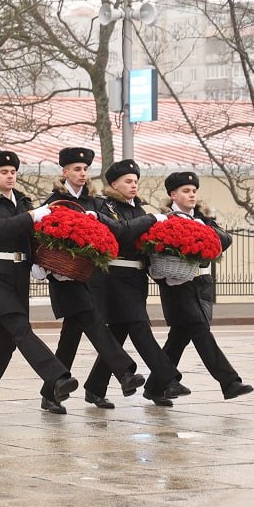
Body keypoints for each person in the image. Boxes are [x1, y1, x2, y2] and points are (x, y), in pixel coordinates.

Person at [0, 150, 78, 419]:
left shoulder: (22, 202)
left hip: (17, 275)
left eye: (13, 172)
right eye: (4, 172)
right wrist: (32, 216)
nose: (10, 176)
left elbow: (34, 235)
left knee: (5, 342)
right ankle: (58, 376)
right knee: (20, 328)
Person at [34, 147, 145, 415]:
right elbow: (40, 235)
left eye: (84, 170)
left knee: (71, 336)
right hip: (63, 276)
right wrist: (41, 266)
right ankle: (125, 372)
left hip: (87, 276)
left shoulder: (95, 202)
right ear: (65, 172)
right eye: (76, 169)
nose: (82, 174)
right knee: (94, 324)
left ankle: (52, 392)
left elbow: (106, 230)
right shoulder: (55, 201)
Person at [85, 159, 191, 407]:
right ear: (114, 184)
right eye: (128, 182)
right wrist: (153, 220)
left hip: (135, 279)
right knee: (140, 327)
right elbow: (120, 231)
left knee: (120, 332)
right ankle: (168, 379)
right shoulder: (106, 205)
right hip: (114, 279)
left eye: (135, 182)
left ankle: (94, 388)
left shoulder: (138, 210)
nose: (134, 186)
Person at [156, 171, 254, 399]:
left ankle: (155, 387)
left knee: (178, 339)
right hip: (177, 285)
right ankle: (229, 382)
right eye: (185, 191)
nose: (191, 195)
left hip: (201, 285)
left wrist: (205, 229)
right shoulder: (165, 220)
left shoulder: (203, 219)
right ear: (173, 194)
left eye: (193, 191)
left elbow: (225, 239)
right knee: (201, 332)